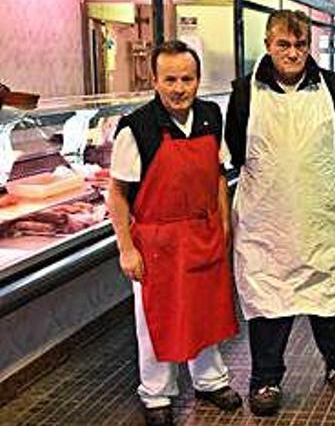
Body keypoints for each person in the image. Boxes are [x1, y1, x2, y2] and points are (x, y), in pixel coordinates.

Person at [225, 10, 335, 416]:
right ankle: (265, 380)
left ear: (310, 46)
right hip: (268, 221)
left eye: (300, 45)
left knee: (330, 295)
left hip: (321, 214)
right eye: (284, 45)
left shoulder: (334, 87)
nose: (293, 53)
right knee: (269, 301)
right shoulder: (243, 93)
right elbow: (237, 151)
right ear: (268, 45)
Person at [108, 40, 242, 426]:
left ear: (198, 80)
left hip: (203, 233)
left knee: (206, 312)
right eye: (170, 80)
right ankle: (156, 394)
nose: (179, 88)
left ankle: (210, 380)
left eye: (187, 79)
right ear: (154, 81)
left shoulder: (210, 116)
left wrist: (224, 224)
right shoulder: (136, 129)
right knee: (156, 321)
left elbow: (218, 176)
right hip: (157, 244)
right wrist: (126, 249)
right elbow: (116, 194)